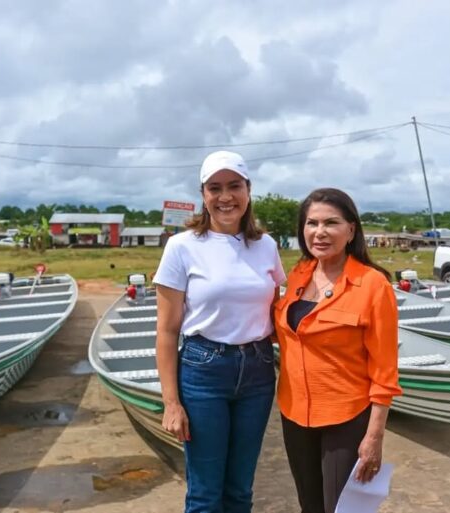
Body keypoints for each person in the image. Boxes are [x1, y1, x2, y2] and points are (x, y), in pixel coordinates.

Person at [153, 150, 286, 513]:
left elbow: (276, 311)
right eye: (215, 188)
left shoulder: (266, 245)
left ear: (248, 190)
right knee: (205, 493)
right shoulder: (182, 247)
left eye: (234, 186)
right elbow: (166, 331)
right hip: (203, 372)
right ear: (203, 194)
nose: (225, 196)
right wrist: (171, 403)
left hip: (258, 371)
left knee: (240, 490)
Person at [273, 188, 402, 513]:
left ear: (351, 230)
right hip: (294, 413)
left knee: (343, 509)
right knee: (310, 505)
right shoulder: (299, 274)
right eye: (312, 223)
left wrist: (374, 437)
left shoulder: (373, 285)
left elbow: (385, 371)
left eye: (331, 223)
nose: (320, 232)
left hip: (346, 416)